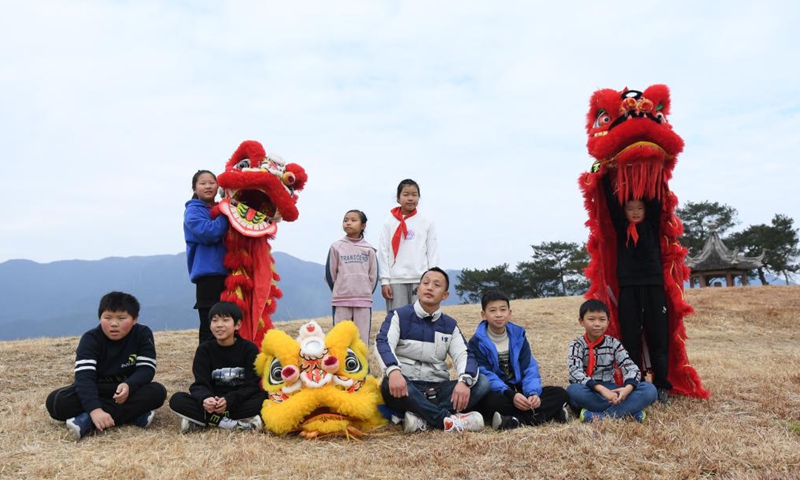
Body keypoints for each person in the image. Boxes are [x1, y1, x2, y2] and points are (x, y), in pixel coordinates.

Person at [376, 267, 488, 433]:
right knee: (387, 384)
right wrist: (393, 371)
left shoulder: (450, 325)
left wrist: (464, 381)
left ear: (445, 295)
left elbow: (465, 355)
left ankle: (421, 418)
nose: (429, 287)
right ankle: (447, 420)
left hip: (438, 389)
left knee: (482, 383)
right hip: (406, 386)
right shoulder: (398, 316)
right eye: (425, 283)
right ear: (418, 288)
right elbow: (383, 343)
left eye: (436, 285)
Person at [45, 292, 168, 440]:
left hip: (127, 391)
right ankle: (134, 414)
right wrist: (95, 410)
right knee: (57, 402)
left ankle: (87, 421)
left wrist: (129, 385)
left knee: (157, 392)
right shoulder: (91, 339)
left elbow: (146, 369)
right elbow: (84, 378)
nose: (114, 324)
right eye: (107, 318)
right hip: (98, 388)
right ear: (100, 317)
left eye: (122, 318)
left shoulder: (142, 334)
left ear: (134, 319)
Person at [603, 175, 672, 403]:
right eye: (630, 208)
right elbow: (611, 201)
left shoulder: (651, 223)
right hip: (628, 287)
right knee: (630, 338)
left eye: (639, 208)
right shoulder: (621, 227)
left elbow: (655, 199)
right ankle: (634, 385)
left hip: (653, 286)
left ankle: (662, 386)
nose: (634, 211)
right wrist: (605, 173)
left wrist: (654, 171)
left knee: (658, 337)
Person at [468, 291, 570, 430]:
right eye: (493, 310)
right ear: (484, 315)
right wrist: (511, 395)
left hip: (521, 389)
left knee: (560, 393)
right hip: (501, 393)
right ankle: (549, 414)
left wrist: (532, 394)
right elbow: (485, 374)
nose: (499, 314)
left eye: (503, 309)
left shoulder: (518, 336)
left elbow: (529, 367)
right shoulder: (476, 342)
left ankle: (514, 420)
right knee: (489, 403)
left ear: (509, 313)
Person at [168, 301, 264, 433]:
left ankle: (203, 422)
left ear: (237, 325)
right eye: (215, 321)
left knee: (264, 399)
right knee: (177, 400)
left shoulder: (249, 349)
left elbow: (252, 385)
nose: (219, 325)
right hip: (212, 404)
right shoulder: (204, 350)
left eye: (225, 320)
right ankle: (234, 424)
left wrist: (230, 401)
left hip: (237, 401)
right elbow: (200, 384)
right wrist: (206, 398)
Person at [567, 299, 657, 422]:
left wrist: (627, 389)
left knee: (650, 390)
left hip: (612, 389)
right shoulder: (576, 345)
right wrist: (601, 390)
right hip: (589, 390)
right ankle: (629, 411)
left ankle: (599, 416)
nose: (597, 324)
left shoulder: (614, 343)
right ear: (581, 321)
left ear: (608, 322)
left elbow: (630, 367)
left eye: (602, 319)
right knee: (573, 391)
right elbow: (575, 372)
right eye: (591, 319)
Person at [377, 179, 439, 312]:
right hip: (395, 279)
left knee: (421, 317)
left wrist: (433, 278)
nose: (410, 198)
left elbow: (432, 251)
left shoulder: (427, 222)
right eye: (406, 194)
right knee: (397, 319)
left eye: (414, 194)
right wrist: (385, 281)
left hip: (421, 279)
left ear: (419, 197)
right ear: (398, 198)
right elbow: (383, 252)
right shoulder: (388, 222)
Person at [184, 169, 230, 345]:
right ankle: (204, 367)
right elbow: (209, 232)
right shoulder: (192, 212)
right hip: (208, 275)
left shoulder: (220, 208)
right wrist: (228, 212)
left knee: (229, 320)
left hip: (228, 273)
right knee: (211, 323)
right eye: (202, 183)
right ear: (195, 189)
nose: (208, 186)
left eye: (212, 182)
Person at [325, 209, 378, 346]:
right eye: (345, 220)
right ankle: (340, 366)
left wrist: (364, 290)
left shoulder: (369, 250)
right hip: (341, 299)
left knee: (361, 339)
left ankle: (363, 366)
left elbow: (373, 275)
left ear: (363, 226)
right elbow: (330, 274)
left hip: (363, 300)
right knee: (340, 338)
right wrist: (340, 289)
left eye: (353, 220)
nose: (348, 223)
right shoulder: (337, 247)